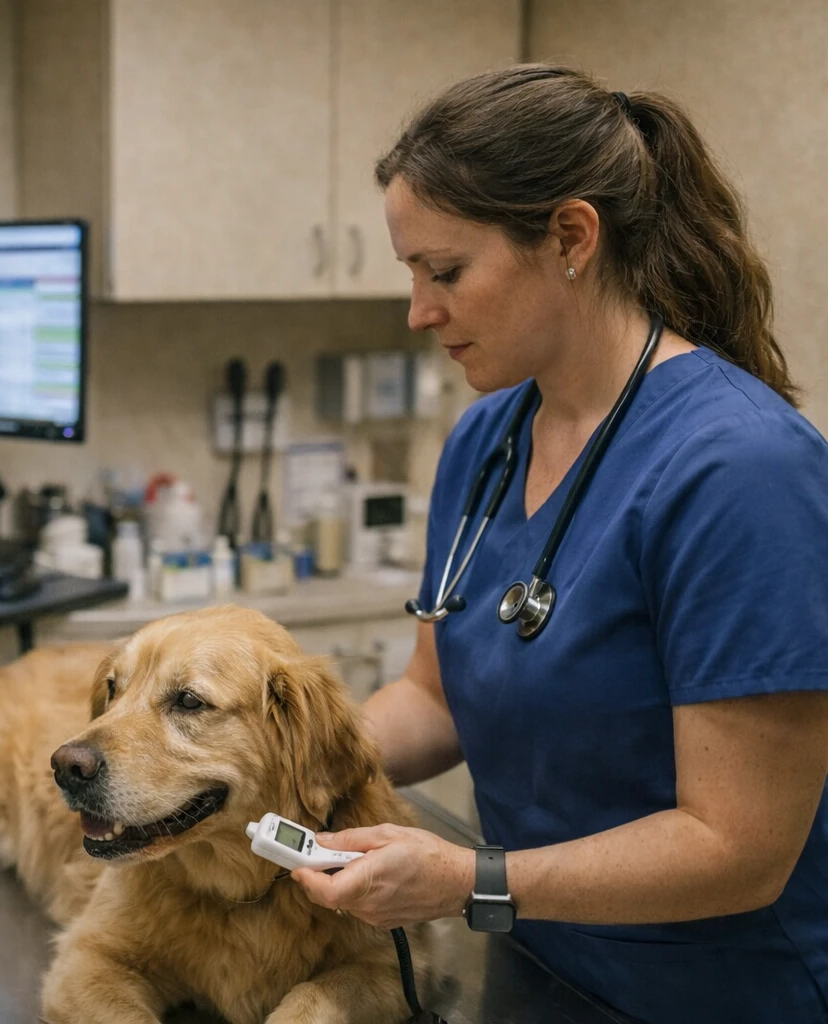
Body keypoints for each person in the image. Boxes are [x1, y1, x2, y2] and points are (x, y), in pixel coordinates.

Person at [290, 64, 828, 1022]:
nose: (418, 312)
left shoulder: (741, 473)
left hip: (720, 996)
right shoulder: (486, 440)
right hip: (541, 971)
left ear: (571, 237)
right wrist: (260, 763)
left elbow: (738, 846)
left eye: (445, 272)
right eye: (411, 274)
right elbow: (432, 696)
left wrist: (468, 879)